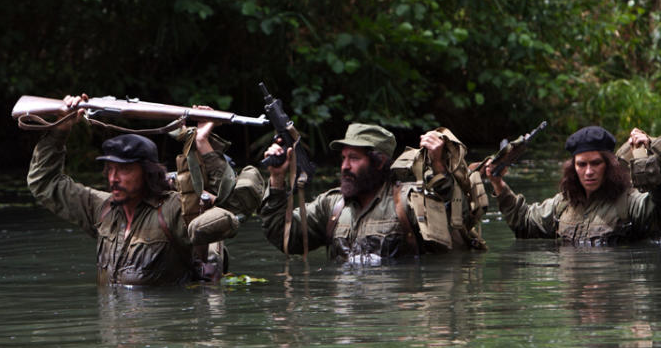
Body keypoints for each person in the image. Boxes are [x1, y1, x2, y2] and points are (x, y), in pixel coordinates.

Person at [26, 94, 246, 285]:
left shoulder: (173, 210)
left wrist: (202, 141)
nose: (113, 178)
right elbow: (44, 183)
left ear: (147, 172)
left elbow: (225, 201)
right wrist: (60, 128)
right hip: (112, 327)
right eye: (110, 169)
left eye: (124, 170)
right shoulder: (101, 208)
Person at [260, 122, 471, 262]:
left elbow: (457, 222)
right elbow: (284, 236)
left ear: (378, 163)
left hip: (393, 318)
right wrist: (277, 178)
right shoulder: (332, 206)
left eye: (354, 158)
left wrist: (439, 167)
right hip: (346, 323)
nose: (344, 166)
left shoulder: (409, 202)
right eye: (343, 158)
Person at [486, 126, 661, 244]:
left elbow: (657, 208)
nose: (588, 172)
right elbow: (524, 223)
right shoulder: (563, 204)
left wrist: (652, 149)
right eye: (582, 165)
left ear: (609, 166)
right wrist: (498, 183)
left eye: (596, 163)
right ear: (573, 167)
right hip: (575, 290)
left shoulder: (629, 203)